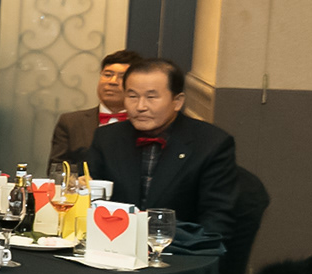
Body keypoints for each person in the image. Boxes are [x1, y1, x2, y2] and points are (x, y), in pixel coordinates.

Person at [76, 57, 238, 240]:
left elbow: (216, 222)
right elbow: (90, 196)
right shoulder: (107, 137)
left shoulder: (211, 143)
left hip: (179, 248)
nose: (140, 107)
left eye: (151, 97)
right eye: (132, 96)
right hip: (113, 242)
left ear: (177, 101)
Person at [47, 48, 141, 170]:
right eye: (107, 75)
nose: (112, 82)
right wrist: (77, 178)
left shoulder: (144, 122)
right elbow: (56, 169)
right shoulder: (71, 122)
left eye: (122, 77)